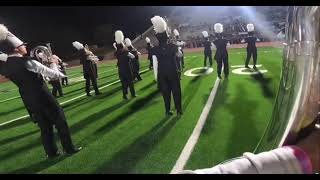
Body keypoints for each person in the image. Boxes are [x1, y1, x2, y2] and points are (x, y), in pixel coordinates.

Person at [0, 24, 81, 159]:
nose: (24, 47)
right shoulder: (27, 62)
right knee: (60, 121)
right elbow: (55, 75)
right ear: (16, 48)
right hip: (42, 95)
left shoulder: (5, 66)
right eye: (22, 45)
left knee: (45, 127)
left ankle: (51, 153)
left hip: (29, 99)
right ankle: (69, 148)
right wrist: (53, 62)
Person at [150, 15, 183, 116]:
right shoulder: (173, 46)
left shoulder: (154, 49)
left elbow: (155, 64)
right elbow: (180, 55)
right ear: (167, 36)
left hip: (162, 74)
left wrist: (156, 77)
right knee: (176, 91)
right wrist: (178, 47)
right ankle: (179, 110)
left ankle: (167, 110)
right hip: (173, 71)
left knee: (166, 93)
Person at [114, 30, 137, 100]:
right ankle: (133, 94)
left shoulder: (116, 52)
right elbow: (133, 57)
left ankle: (124, 95)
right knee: (130, 81)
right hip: (127, 68)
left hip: (120, 69)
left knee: (123, 83)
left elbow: (118, 52)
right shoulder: (125, 51)